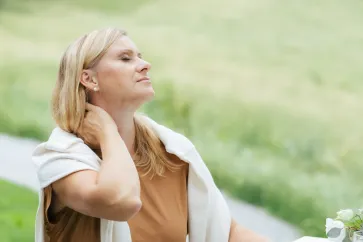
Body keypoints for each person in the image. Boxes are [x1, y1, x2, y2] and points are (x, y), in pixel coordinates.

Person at [31, 27, 269, 242]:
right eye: (125, 58)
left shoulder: (173, 153)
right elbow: (121, 201)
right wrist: (107, 132)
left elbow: (227, 233)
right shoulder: (62, 159)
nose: (145, 65)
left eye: (140, 57)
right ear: (89, 79)